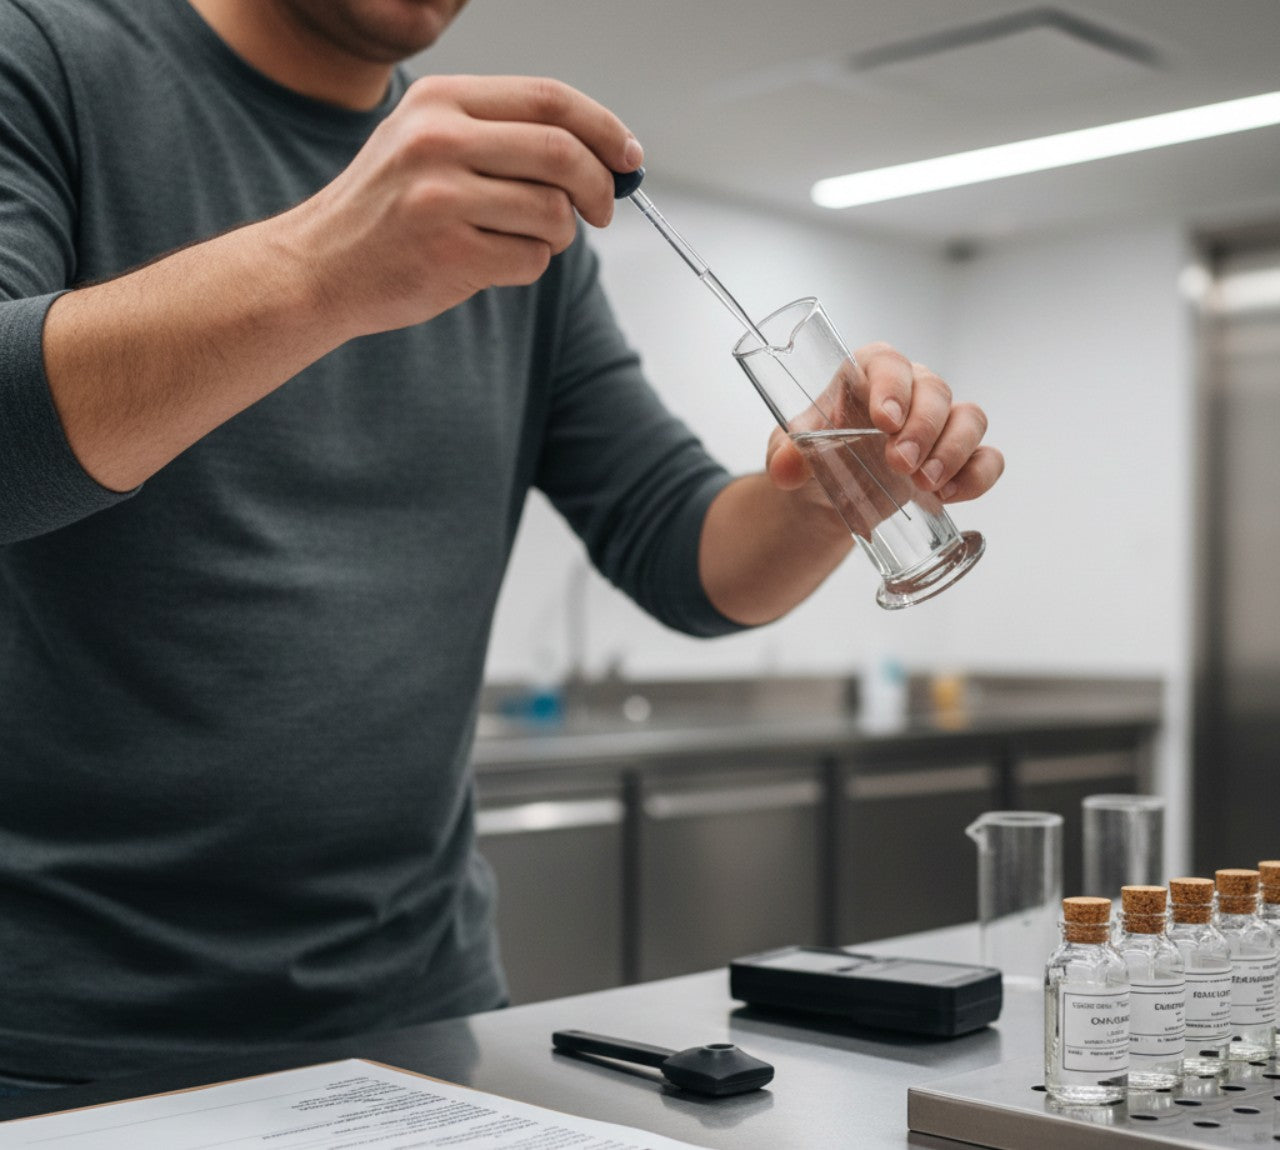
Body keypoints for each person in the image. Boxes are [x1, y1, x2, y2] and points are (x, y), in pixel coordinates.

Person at [0, 0, 1004, 1088]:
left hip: (420, 1018)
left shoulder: (509, 233)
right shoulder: (43, 56)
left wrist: (824, 489)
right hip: (62, 1037)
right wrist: (323, 268)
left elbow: (676, 546)